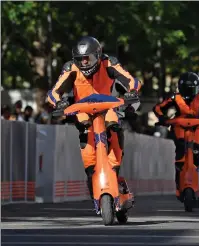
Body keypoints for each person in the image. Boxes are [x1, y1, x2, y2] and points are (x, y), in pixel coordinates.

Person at [46, 36, 141, 210]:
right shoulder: (70, 68)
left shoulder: (109, 62)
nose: (84, 63)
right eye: (80, 59)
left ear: (98, 55)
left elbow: (131, 80)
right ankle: (93, 177)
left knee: (114, 124)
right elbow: (53, 92)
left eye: (88, 58)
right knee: (87, 152)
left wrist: (132, 91)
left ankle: (114, 170)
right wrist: (58, 103)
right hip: (83, 113)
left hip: (107, 107)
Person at [153, 72, 199, 199]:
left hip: (197, 127)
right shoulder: (175, 98)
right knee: (180, 156)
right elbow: (158, 108)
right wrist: (162, 118)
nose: (188, 93)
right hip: (179, 126)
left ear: (197, 88)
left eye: (191, 89)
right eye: (185, 89)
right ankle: (179, 186)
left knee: (196, 154)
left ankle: (198, 183)